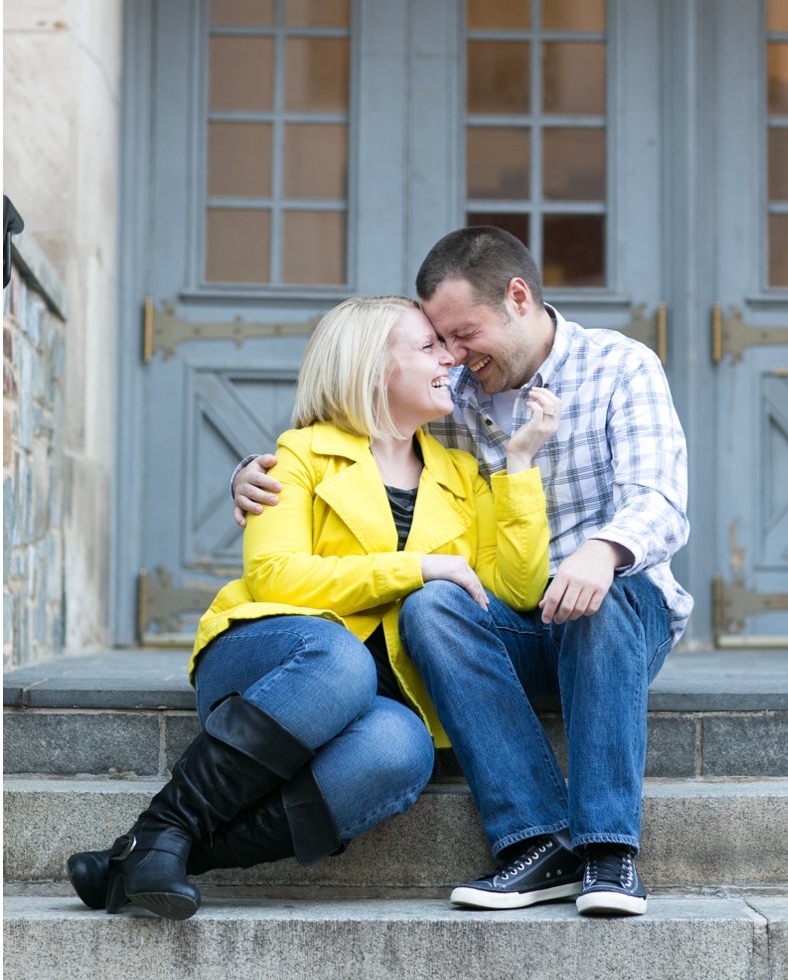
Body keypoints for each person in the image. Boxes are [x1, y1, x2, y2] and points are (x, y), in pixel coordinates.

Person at [234, 228, 692, 919]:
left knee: (600, 604)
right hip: (517, 614)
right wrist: (249, 473)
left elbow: (660, 497)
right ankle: (536, 842)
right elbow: (357, 427)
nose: (452, 355)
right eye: (439, 341)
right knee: (431, 606)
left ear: (518, 297)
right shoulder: (453, 396)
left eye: (463, 333)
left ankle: (607, 849)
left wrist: (604, 549)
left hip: (618, 609)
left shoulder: (622, 367)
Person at [67, 294, 559, 920]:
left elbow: (513, 590)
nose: (452, 358)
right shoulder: (298, 454)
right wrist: (415, 567)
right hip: (271, 659)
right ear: (371, 366)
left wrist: (518, 466)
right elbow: (277, 579)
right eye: (430, 346)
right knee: (340, 660)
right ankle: (164, 826)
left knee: (401, 748)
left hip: (380, 695)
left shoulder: (463, 474)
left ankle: (154, 855)